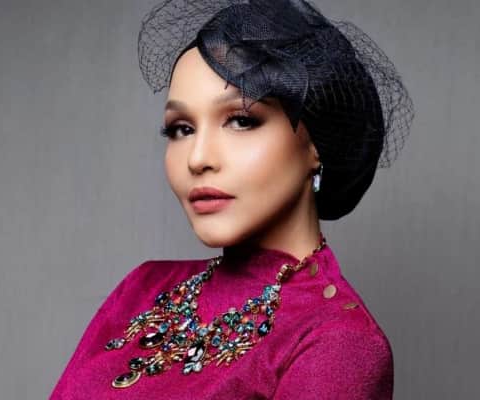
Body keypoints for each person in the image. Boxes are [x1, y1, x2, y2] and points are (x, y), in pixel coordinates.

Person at [50, 0, 414, 398]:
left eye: (241, 120)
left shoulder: (338, 343)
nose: (198, 159)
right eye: (181, 128)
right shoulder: (144, 287)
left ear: (316, 144)